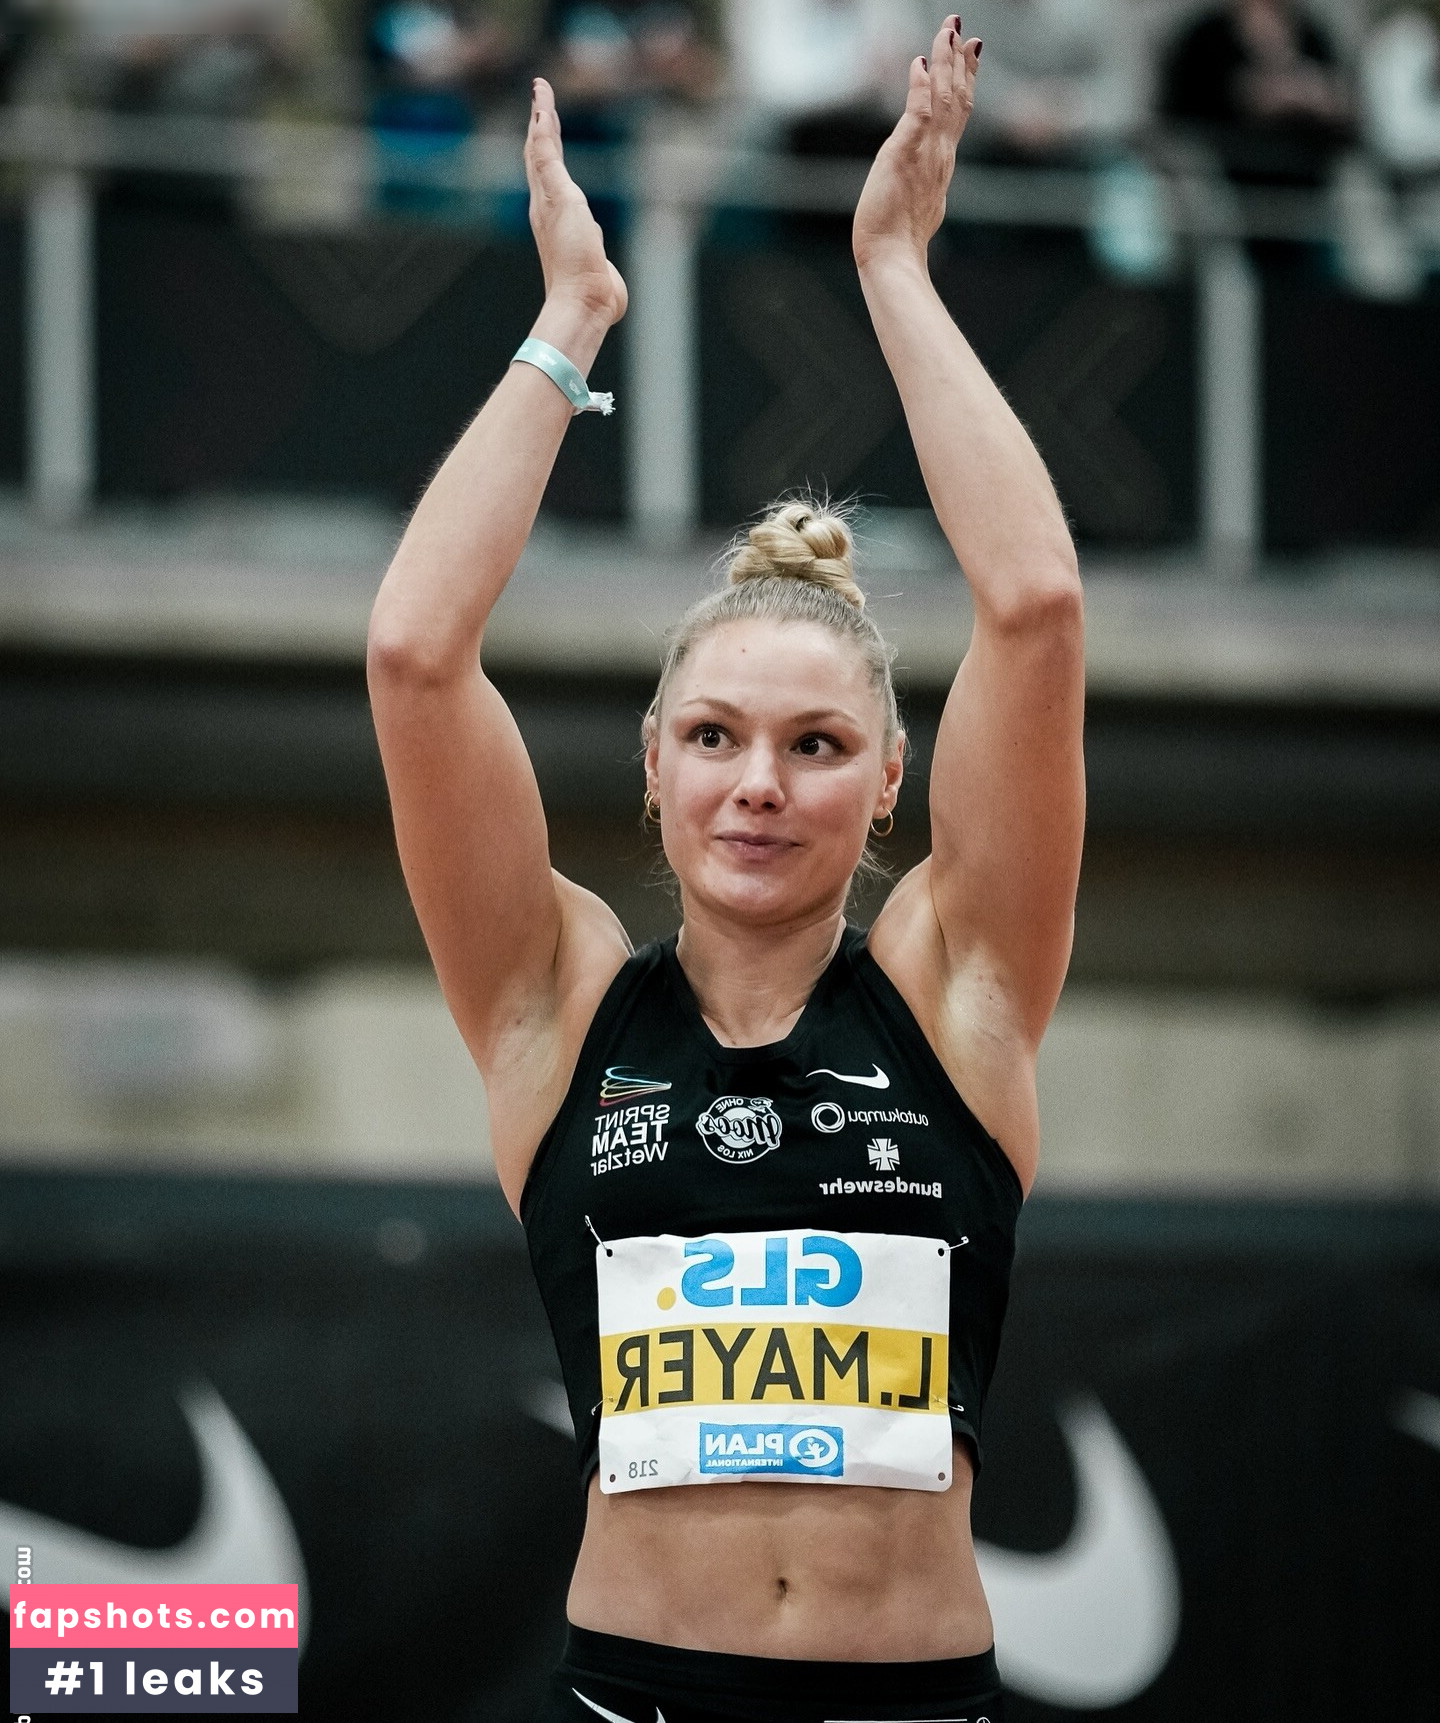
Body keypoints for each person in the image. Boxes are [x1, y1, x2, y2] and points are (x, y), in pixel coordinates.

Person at [367, 13, 1085, 1721]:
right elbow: (412, 653)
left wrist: (893, 267)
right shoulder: (555, 1009)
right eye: (713, 735)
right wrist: (568, 325)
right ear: (654, 762)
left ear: (891, 781)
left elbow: (1039, 606)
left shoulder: (959, 988)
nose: (758, 783)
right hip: (639, 1687)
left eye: (817, 743)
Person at [1159, 0, 1355, 188]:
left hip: (1307, 185)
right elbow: (1176, 118)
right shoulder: (1204, 38)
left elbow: (1345, 114)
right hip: (1224, 181)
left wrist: (1315, 99)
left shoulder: (1311, 35)